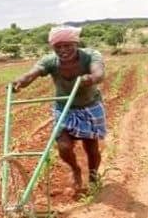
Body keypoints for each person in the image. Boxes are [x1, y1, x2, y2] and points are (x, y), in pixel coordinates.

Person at [12, 25, 106, 191]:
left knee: (91, 147)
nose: (63, 50)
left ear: (76, 43)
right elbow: (32, 73)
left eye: (67, 45)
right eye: (58, 47)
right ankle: (75, 169)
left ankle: (93, 176)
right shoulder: (50, 61)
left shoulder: (91, 55)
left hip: (88, 106)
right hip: (64, 108)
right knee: (63, 147)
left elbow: (99, 74)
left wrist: (90, 78)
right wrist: (20, 82)